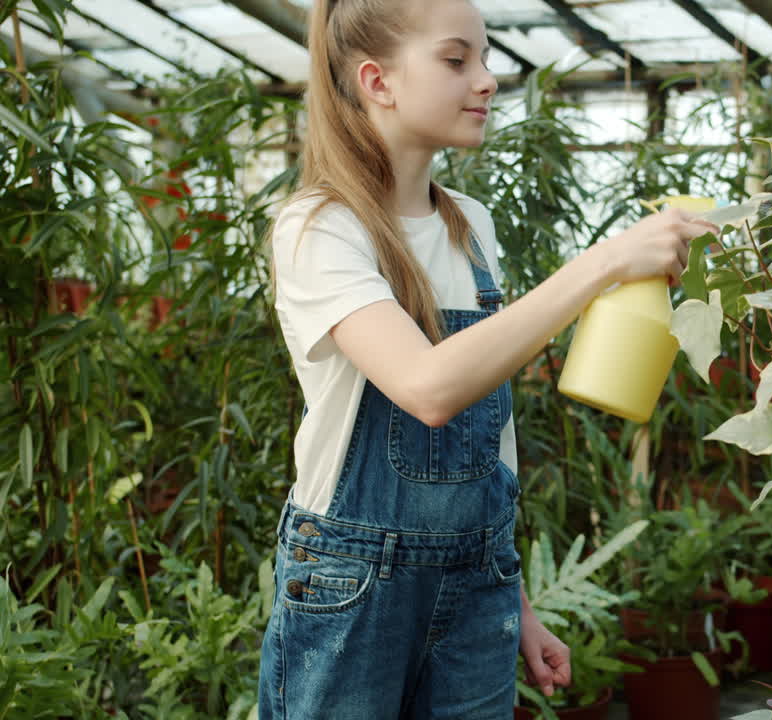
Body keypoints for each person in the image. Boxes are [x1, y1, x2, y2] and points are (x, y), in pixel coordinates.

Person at [257, 0, 717, 717]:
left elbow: (484, 437)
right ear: (378, 81)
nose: (488, 80)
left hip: (478, 585)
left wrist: (514, 597)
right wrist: (602, 264)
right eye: (455, 59)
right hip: (353, 590)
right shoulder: (320, 227)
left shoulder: (472, 226)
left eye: (485, 56)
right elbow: (429, 387)